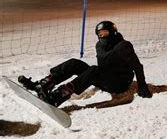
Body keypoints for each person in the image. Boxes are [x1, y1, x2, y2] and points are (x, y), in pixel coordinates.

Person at [18, 21, 152, 107]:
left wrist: (142, 86)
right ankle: (43, 84)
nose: (102, 36)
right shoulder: (100, 45)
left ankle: (57, 97)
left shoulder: (124, 46)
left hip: (119, 83)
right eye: (99, 34)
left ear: (113, 32)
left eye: (105, 32)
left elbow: (137, 67)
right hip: (105, 77)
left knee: (93, 70)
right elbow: (104, 60)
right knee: (74, 63)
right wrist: (115, 52)